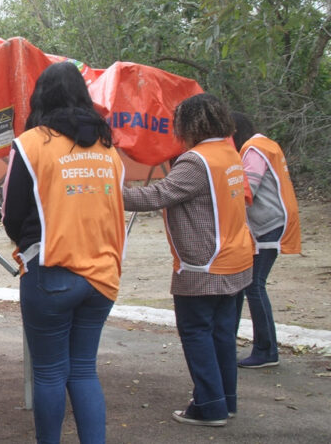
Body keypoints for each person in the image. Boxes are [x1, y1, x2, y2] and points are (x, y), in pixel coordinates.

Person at [2, 62, 126, 444]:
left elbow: (11, 214)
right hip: (103, 275)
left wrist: (26, 245)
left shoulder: (31, 143)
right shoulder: (110, 149)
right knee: (84, 371)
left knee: (50, 373)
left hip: (51, 272)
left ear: (41, 97)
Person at [123, 94, 253, 427]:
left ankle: (209, 407)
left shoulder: (197, 161)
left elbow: (155, 196)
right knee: (223, 335)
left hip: (205, 266)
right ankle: (226, 401)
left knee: (196, 333)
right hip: (235, 260)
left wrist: (106, 190)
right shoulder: (229, 153)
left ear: (190, 124)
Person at [231, 112, 301, 368]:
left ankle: (266, 350)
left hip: (268, 225)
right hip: (276, 220)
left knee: (254, 286)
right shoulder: (267, 144)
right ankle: (259, 346)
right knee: (250, 285)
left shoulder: (253, 149)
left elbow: (247, 189)